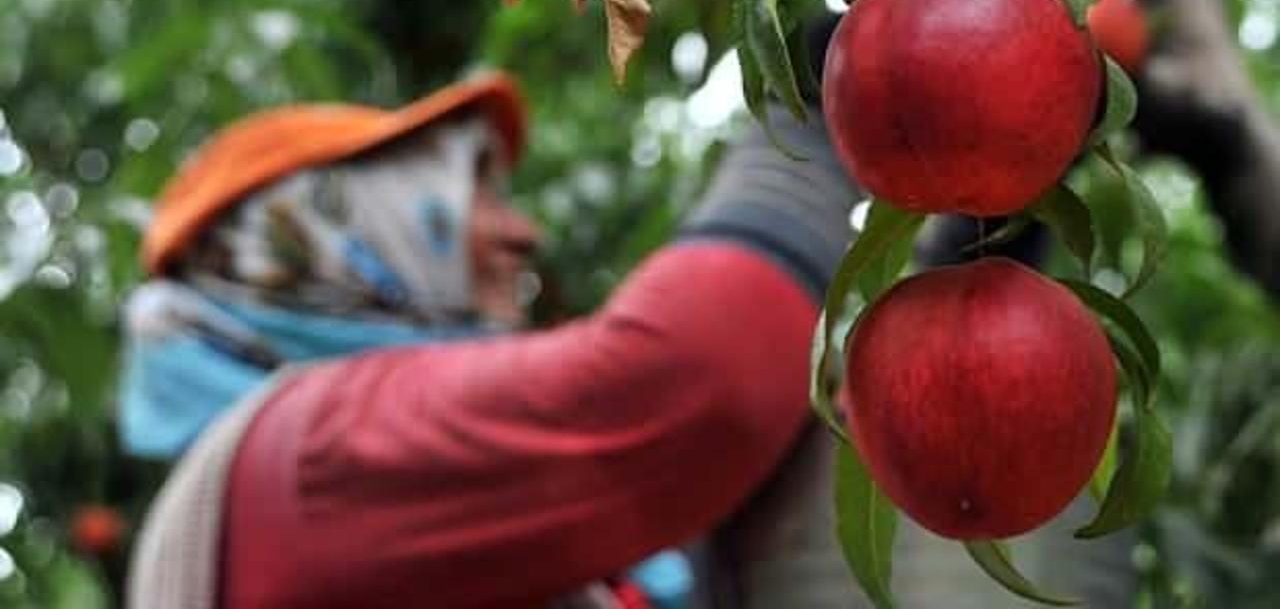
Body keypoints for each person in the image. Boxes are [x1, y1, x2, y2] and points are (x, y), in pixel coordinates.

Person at [120, 72, 863, 608]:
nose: (522, 234)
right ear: (334, 233)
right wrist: (803, 126)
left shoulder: (295, 487)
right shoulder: (308, 457)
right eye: (472, 192)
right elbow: (696, 375)